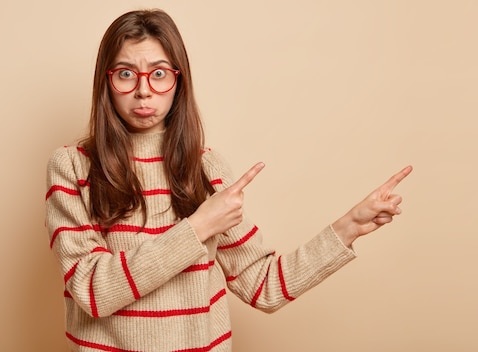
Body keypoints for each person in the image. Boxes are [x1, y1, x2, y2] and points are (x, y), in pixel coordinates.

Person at [45, 8, 412, 352]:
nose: (143, 90)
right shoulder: (73, 167)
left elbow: (263, 286)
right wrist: (198, 227)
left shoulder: (206, 168)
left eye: (159, 73)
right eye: (126, 73)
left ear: (178, 81)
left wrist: (347, 229)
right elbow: (94, 292)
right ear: (106, 81)